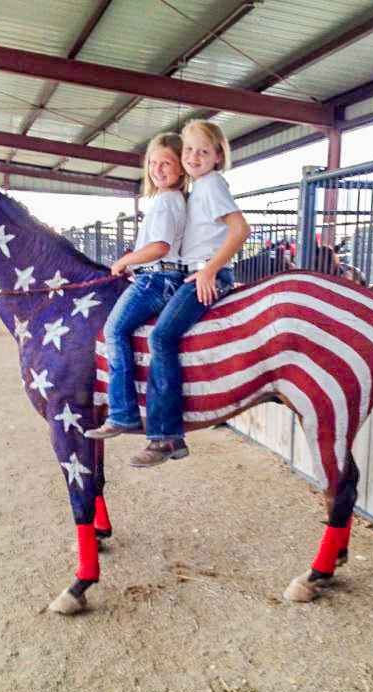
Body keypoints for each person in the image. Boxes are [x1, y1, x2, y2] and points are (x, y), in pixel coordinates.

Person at [128, 119, 250, 467]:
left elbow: (240, 229)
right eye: (190, 150)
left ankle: (165, 435)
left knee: (162, 337)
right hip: (193, 271)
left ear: (217, 156)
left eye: (204, 151)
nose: (195, 156)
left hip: (205, 273)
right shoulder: (197, 188)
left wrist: (210, 269)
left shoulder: (210, 185)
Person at [85, 132, 187, 440]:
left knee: (114, 331)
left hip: (157, 278)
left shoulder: (167, 200)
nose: (157, 169)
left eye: (165, 163)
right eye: (153, 163)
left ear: (181, 168)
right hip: (158, 274)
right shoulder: (167, 199)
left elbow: (159, 247)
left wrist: (124, 262)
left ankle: (123, 413)